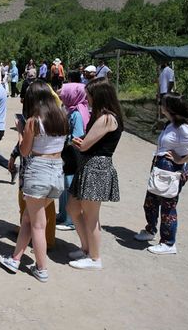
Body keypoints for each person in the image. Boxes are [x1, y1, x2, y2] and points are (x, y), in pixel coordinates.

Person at [0, 81, 68, 283]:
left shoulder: (33, 121)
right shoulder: (62, 116)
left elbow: (25, 151)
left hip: (39, 172)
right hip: (56, 172)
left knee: (38, 224)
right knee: (28, 219)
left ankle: (41, 268)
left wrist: (20, 131)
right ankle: (15, 258)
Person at [67, 79, 123, 270]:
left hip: (96, 168)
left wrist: (76, 142)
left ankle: (94, 258)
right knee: (73, 208)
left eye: (89, 95)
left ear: (98, 96)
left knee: (91, 217)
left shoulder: (107, 118)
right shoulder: (99, 115)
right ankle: (86, 248)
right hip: (88, 167)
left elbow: (84, 145)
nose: (87, 98)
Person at [134, 93, 188, 254]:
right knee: (150, 203)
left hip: (172, 170)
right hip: (160, 168)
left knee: (168, 207)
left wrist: (180, 160)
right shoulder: (170, 124)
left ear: (170, 108)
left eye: (162, 103)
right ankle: (150, 230)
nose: (160, 106)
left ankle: (168, 243)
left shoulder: (184, 127)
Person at [56, 83, 89, 231]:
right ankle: (63, 215)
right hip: (67, 155)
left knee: (69, 186)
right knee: (64, 187)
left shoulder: (76, 114)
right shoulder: (72, 110)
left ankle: (70, 221)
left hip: (72, 156)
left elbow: (77, 137)